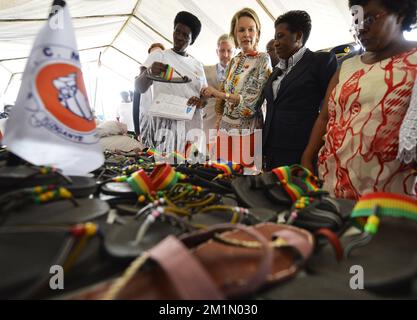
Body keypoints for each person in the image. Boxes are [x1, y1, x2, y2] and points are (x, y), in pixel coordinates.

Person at [301, 0, 417, 200]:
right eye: (356, 20)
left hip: (387, 195)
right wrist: (307, 156)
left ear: (400, 13)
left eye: (369, 18)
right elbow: (325, 117)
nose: (361, 27)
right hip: (331, 186)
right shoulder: (347, 67)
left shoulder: (414, 61)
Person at [261, 10, 338, 171]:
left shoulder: (320, 62)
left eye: (280, 36)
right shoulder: (277, 70)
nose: (275, 43)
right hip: (271, 150)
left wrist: (311, 153)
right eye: (275, 37)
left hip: (301, 152)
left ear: (297, 36)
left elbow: (330, 110)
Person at [201, 8, 271, 166]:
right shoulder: (234, 61)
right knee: (220, 175)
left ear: (257, 33)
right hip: (224, 130)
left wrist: (218, 94)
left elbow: (249, 105)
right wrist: (219, 117)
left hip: (248, 132)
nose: (246, 34)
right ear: (235, 34)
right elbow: (224, 92)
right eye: (241, 30)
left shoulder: (263, 60)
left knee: (243, 182)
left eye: (251, 29)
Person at [135, 11, 206, 154]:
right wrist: (149, 72)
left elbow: (204, 98)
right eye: (177, 31)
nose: (179, 37)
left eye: (185, 35)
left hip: (189, 127)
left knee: (187, 170)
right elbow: (139, 87)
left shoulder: (197, 65)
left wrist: (200, 101)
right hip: (164, 128)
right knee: (164, 168)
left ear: (192, 40)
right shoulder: (159, 56)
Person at [203, 34, 235, 146]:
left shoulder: (239, 75)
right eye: (222, 51)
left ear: (234, 52)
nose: (225, 55)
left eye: (229, 51)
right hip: (208, 120)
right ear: (217, 51)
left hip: (230, 123)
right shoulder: (204, 70)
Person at [133, 43, 165, 143]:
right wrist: (137, 130)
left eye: (158, 52)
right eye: (152, 54)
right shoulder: (140, 80)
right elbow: (136, 106)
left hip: (163, 125)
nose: (155, 56)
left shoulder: (168, 80)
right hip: (146, 124)